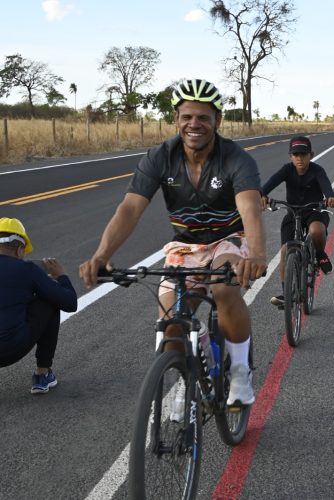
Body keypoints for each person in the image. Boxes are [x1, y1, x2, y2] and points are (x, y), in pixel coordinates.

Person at [79, 79, 267, 407]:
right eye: (187, 117)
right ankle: (194, 368)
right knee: (172, 332)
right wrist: (102, 254)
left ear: (217, 121)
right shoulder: (160, 157)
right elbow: (130, 208)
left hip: (229, 239)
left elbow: (249, 207)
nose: (195, 124)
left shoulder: (236, 159)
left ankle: (239, 371)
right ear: (176, 118)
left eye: (204, 118)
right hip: (185, 245)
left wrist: (259, 254)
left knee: (224, 289)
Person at [260, 136, 334, 308]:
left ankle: (319, 255)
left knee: (317, 231)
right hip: (293, 212)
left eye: (303, 154)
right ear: (290, 156)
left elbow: (326, 186)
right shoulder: (287, 170)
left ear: (311, 154)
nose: (299, 158)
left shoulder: (317, 170)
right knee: (284, 250)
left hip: (315, 211)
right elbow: (267, 185)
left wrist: (330, 197)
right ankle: (286, 293)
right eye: (295, 154)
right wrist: (261, 196)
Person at [0, 217, 77, 394]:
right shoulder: (27, 269)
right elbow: (69, 303)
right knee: (49, 300)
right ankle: (42, 374)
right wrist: (61, 277)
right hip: (10, 349)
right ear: (20, 250)